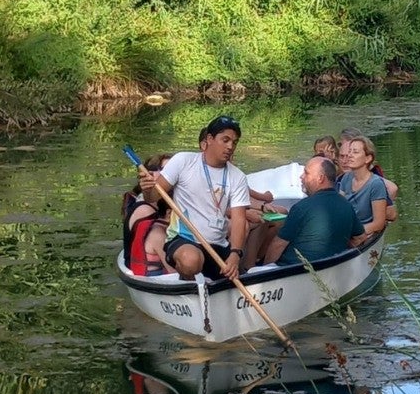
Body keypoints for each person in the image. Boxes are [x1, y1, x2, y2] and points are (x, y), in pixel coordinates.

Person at [139, 114, 252, 281]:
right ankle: (188, 286)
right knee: (191, 261)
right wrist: (148, 189)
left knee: (235, 277)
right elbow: (153, 197)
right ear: (209, 139)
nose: (230, 147)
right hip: (183, 238)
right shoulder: (183, 161)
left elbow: (239, 220)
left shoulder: (238, 177)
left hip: (218, 244)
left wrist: (235, 254)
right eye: (225, 140)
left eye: (234, 143)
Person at [261, 157, 363, 266]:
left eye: (306, 173)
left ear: (320, 178)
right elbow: (360, 238)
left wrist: (264, 267)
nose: (301, 177)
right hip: (329, 268)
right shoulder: (347, 205)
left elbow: (278, 245)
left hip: (291, 268)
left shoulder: (301, 207)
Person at [123, 152, 173, 274]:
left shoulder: (165, 204)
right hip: (145, 267)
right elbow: (158, 239)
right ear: (150, 174)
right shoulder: (145, 210)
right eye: (166, 170)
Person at [337, 135, 391, 243]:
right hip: (347, 231)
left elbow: (379, 223)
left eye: (355, 152)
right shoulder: (346, 178)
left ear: (368, 158)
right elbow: (340, 210)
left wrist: (355, 232)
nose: (350, 155)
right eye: (350, 151)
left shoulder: (376, 184)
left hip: (363, 233)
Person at [339, 126, 398, 219]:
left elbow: (393, 189)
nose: (348, 156)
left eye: (354, 151)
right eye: (342, 155)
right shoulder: (344, 177)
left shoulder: (373, 178)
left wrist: (374, 208)